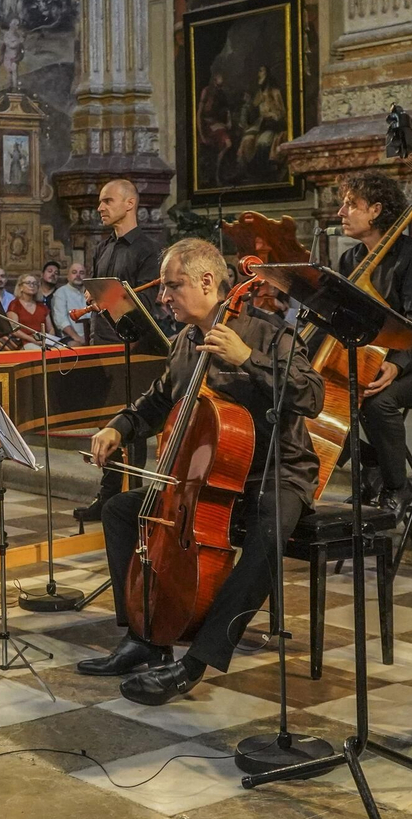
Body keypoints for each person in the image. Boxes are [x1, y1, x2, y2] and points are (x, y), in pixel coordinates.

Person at [78, 238, 323, 705]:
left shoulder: (268, 333)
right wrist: (117, 427)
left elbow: (312, 397)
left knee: (268, 534)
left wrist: (248, 361)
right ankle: (144, 637)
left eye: (173, 286)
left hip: (276, 472)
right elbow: (155, 402)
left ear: (208, 282)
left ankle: (194, 664)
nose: (163, 297)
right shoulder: (185, 342)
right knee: (121, 511)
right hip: (209, 480)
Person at [335, 170, 412, 510]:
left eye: (352, 205)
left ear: (377, 210)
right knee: (310, 398)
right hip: (366, 360)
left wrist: (395, 366)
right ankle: (373, 463)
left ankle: (398, 489)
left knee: (377, 404)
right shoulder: (350, 261)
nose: (341, 212)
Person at [76, 178, 166, 523]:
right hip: (103, 343)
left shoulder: (147, 249)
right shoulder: (103, 248)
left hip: (132, 347)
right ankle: (109, 495)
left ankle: (134, 499)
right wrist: (94, 296)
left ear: (130, 204)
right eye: (100, 202)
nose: (101, 207)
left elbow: (147, 303)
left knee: (132, 423)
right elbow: (100, 294)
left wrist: (105, 297)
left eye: (108, 201)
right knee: (106, 422)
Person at [6, 273, 49, 349]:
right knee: (38, 350)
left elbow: (51, 329)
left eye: (34, 283)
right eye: (28, 283)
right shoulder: (14, 305)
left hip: (43, 341)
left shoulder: (42, 307)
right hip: (24, 342)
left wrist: (47, 339)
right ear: (21, 287)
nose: (32, 285)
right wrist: (33, 340)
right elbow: (14, 330)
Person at [50, 261, 89, 345]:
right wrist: (77, 338)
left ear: (86, 276)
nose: (78, 275)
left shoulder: (91, 292)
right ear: (68, 277)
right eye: (74, 272)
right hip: (69, 337)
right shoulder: (61, 293)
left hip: (91, 335)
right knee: (75, 346)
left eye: (81, 273)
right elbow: (61, 320)